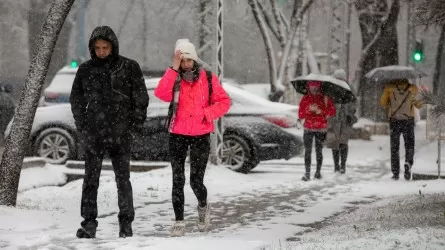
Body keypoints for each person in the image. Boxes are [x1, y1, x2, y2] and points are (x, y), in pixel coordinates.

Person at [70, 26, 149, 238]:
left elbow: (140, 99)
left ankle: (126, 223)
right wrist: (83, 126)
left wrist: (134, 127)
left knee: (123, 180)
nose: (102, 51)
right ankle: (88, 223)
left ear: (112, 46)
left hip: (121, 133)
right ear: (92, 48)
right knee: (90, 180)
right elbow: (76, 99)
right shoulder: (85, 70)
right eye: (98, 48)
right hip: (94, 134)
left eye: (105, 47)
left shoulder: (129, 67)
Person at [154, 39, 230, 236]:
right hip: (177, 134)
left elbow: (224, 102)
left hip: (200, 134)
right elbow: (161, 94)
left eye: (188, 59)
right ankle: (179, 221)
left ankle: (203, 207)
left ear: (194, 59)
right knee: (177, 179)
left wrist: (207, 114)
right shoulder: (175, 78)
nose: (186, 64)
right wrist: (173, 68)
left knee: (196, 181)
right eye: (182, 60)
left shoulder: (208, 78)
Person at [380, 78, 423, 181]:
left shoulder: (389, 88)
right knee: (409, 145)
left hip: (394, 121)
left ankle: (395, 173)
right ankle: (408, 162)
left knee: (394, 148)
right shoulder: (412, 88)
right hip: (408, 120)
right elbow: (419, 105)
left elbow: (382, 103)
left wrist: (391, 103)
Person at [298, 80, 336, 181]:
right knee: (308, 151)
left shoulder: (325, 98)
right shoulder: (305, 98)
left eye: (316, 88)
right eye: (311, 88)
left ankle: (318, 172)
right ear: (308, 87)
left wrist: (321, 111)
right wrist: (308, 110)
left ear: (319, 88)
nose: (313, 90)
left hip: (321, 128)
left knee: (319, 151)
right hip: (308, 128)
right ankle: (307, 173)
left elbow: (332, 111)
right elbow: (300, 114)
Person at [326, 69, 358, 174]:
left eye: (340, 79)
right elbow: (327, 103)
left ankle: (342, 165)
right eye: (337, 79)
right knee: (335, 142)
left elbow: (354, 102)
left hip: (346, 119)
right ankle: (336, 166)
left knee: (343, 142)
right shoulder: (331, 89)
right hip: (334, 119)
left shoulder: (350, 88)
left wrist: (350, 113)